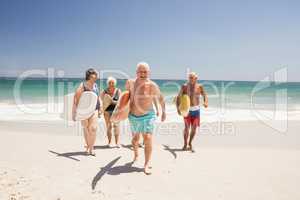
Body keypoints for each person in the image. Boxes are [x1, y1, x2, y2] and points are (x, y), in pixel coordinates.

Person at [124, 62, 166, 175]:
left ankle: (146, 164)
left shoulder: (152, 85)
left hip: (148, 115)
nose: (142, 74)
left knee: (147, 137)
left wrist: (163, 112)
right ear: (136, 72)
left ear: (149, 73)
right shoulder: (130, 83)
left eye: (145, 72)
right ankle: (136, 154)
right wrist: (119, 113)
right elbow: (124, 99)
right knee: (135, 139)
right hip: (133, 116)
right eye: (140, 71)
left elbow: (161, 98)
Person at [176, 72, 208, 152]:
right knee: (187, 128)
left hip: (196, 110)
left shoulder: (200, 86)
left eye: (192, 78)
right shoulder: (184, 86)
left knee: (194, 129)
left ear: (196, 78)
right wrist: (178, 109)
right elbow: (178, 97)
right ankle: (185, 144)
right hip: (187, 110)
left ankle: (190, 143)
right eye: (189, 77)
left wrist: (206, 102)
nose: (190, 79)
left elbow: (204, 95)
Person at [72, 68, 101, 156]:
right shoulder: (82, 85)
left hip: (94, 109)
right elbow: (76, 99)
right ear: (89, 75)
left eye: (96, 74)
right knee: (86, 128)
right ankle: (88, 146)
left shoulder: (95, 85)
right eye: (95, 74)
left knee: (93, 128)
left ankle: (92, 148)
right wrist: (74, 113)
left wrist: (101, 108)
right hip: (83, 110)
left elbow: (98, 97)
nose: (96, 76)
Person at [100, 76, 122, 148]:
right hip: (107, 111)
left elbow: (121, 101)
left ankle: (117, 143)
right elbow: (101, 101)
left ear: (115, 83)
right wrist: (100, 110)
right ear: (108, 83)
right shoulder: (105, 91)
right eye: (110, 83)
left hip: (116, 111)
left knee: (116, 127)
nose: (111, 84)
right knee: (109, 127)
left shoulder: (118, 91)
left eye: (112, 83)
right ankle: (109, 142)